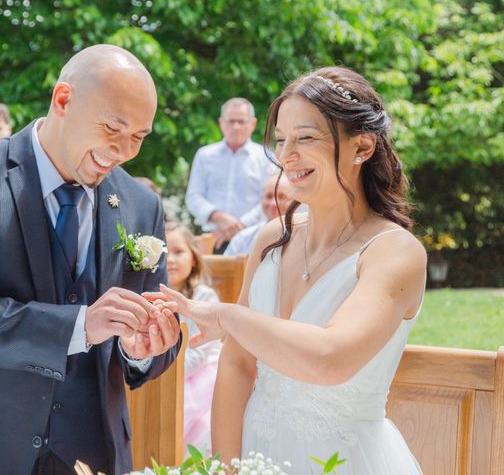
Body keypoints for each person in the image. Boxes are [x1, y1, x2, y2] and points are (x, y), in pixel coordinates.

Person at [0, 45, 182, 475]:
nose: (123, 150)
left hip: (90, 454)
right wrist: (82, 325)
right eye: (112, 127)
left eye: (139, 136)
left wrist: (142, 349)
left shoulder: (142, 204)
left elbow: (152, 324)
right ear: (63, 100)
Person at [152, 67, 427, 474]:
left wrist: (227, 316)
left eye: (306, 138)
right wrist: (229, 467)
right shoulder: (271, 238)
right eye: (281, 140)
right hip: (256, 451)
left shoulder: (394, 252)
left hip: (343, 459)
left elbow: (329, 359)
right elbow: (238, 365)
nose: (286, 156)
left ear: (362, 147)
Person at [185, 98, 270, 253]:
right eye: (231, 121)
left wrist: (239, 225)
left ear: (253, 124)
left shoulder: (266, 157)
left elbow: (270, 199)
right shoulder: (205, 155)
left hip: (253, 239)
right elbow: (193, 197)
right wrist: (218, 217)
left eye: (241, 121)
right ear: (221, 123)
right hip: (212, 239)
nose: (236, 127)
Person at [165, 220, 220, 454]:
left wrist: (169, 374)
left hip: (198, 375)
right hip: (163, 372)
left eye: (179, 252)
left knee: (192, 414)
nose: (170, 260)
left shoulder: (203, 296)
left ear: (194, 258)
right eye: (165, 252)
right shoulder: (147, 295)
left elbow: (200, 351)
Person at [224, 174, 293, 256]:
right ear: (261, 199)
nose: (274, 203)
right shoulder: (243, 238)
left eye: (282, 197)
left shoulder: (304, 237)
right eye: (269, 196)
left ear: (294, 200)